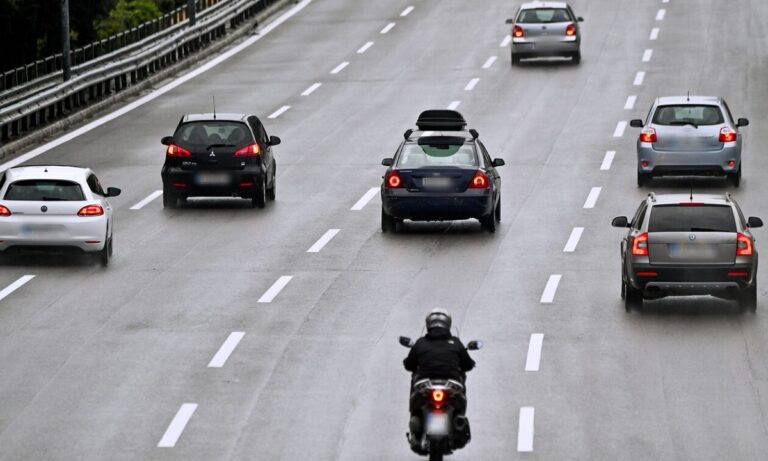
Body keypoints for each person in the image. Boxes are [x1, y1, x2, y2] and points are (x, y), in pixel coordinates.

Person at [403, 309, 475, 449]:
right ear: (448, 324)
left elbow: (408, 365)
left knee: (414, 381)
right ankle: (458, 419)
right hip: (451, 386)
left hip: (425, 386)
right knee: (461, 383)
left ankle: (416, 420)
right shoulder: (455, 343)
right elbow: (468, 365)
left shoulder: (420, 343)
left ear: (428, 324)